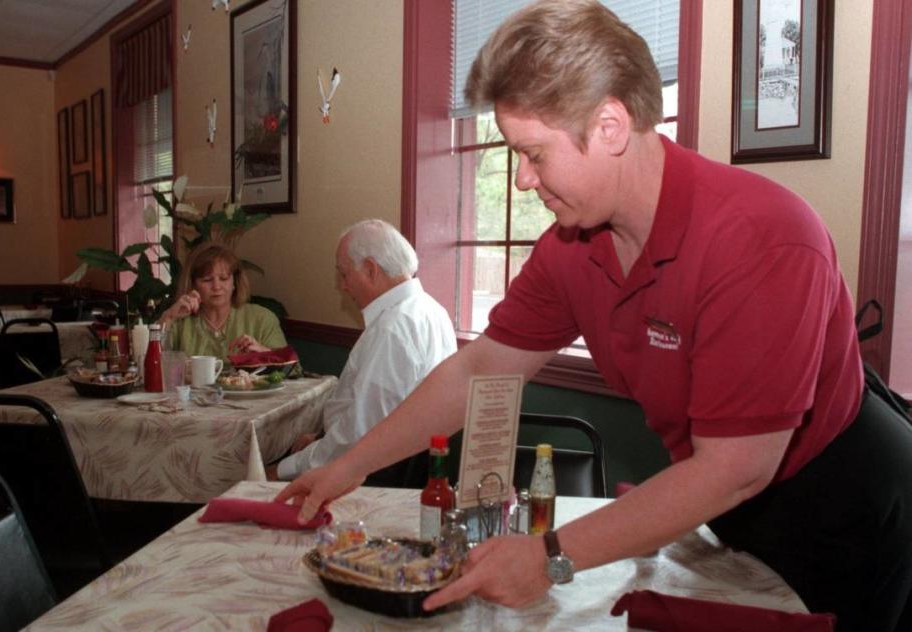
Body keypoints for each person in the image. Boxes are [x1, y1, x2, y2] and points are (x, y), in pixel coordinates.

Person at [277, 2, 912, 631]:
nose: (522, 180)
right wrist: (350, 464)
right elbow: (480, 368)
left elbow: (734, 469)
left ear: (610, 126)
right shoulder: (570, 247)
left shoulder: (762, 238)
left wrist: (549, 557)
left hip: (841, 505)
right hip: (729, 505)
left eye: (534, 154)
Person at [268, 219, 456, 482]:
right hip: (395, 462)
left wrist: (282, 470)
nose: (343, 286)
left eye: (344, 274)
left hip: (372, 475)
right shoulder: (432, 309)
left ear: (370, 270)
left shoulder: (392, 328)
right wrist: (320, 439)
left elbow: (360, 434)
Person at [158, 242, 287, 360]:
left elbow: (293, 370)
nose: (216, 287)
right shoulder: (179, 322)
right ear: (193, 285)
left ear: (234, 282)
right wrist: (168, 317)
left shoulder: (262, 318)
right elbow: (150, 366)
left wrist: (263, 354)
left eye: (224, 278)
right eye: (207, 280)